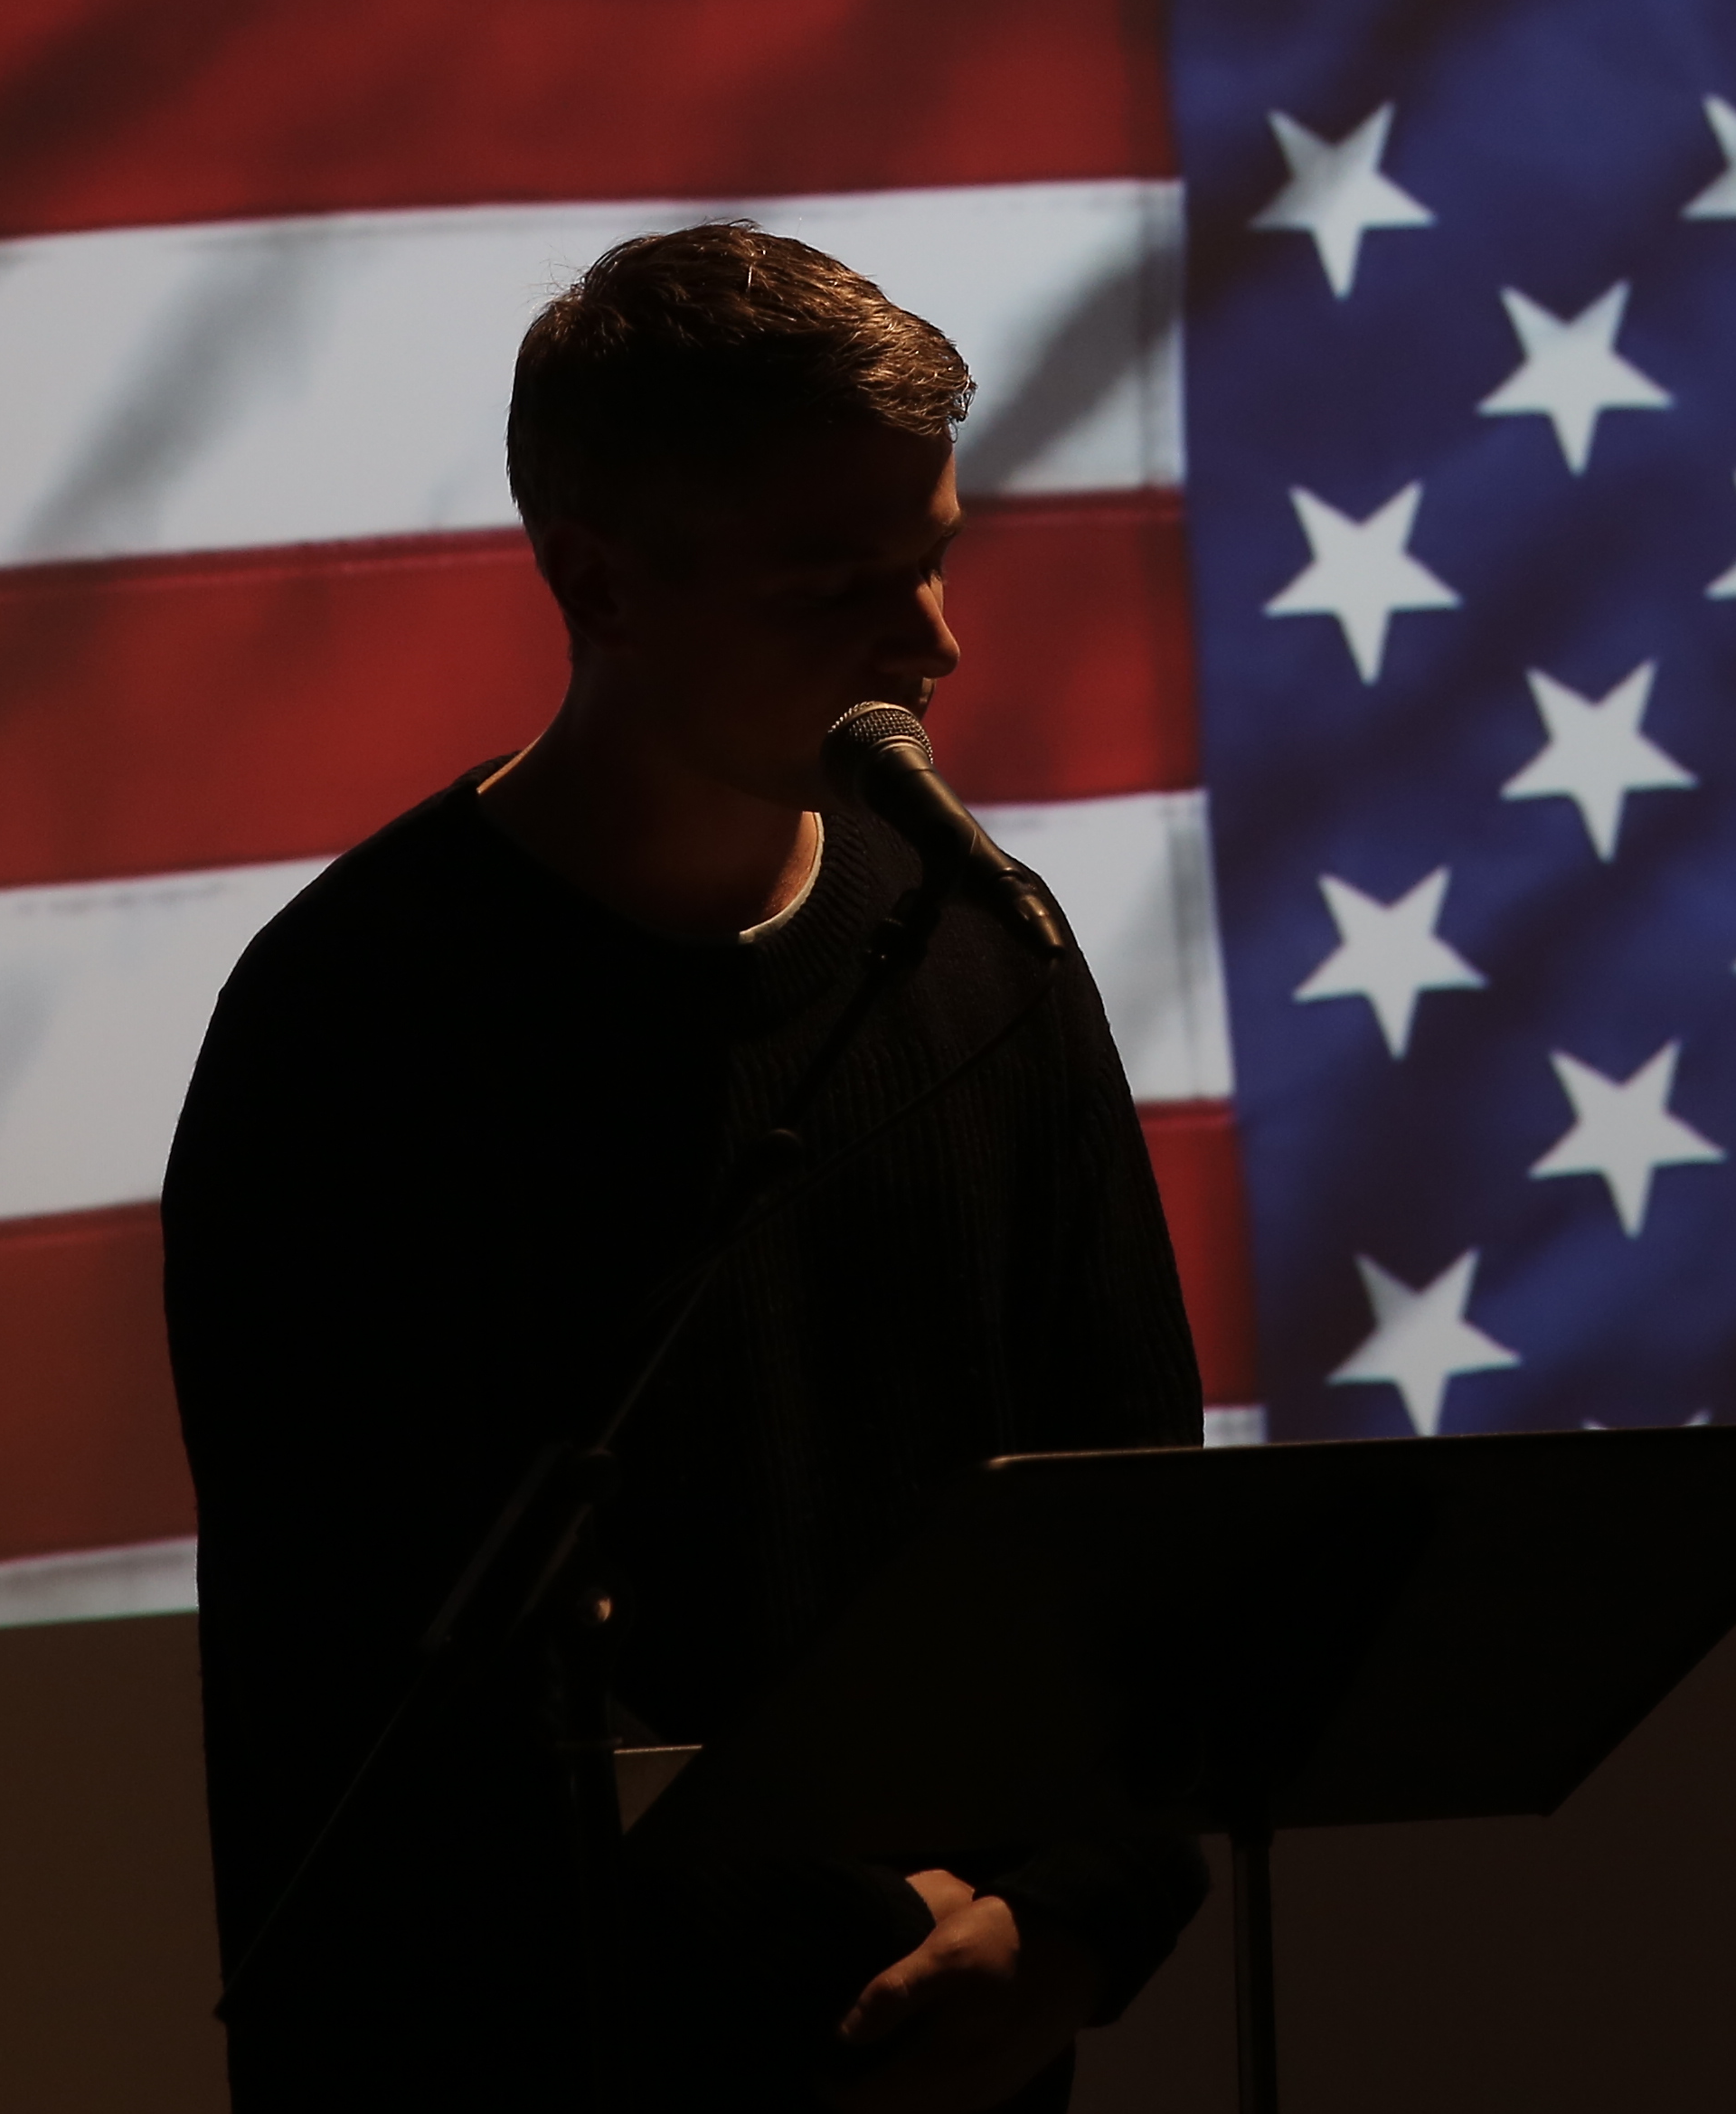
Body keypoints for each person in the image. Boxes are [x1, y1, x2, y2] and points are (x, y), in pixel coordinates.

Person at [167, 222, 1208, 2108]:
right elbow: (378, 1665)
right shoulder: (360, 1018)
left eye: (935, 565)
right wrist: (854, 1914)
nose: (933, 645)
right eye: (838, 590)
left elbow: (1124, 1499)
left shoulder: (980, 946)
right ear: (601, 586)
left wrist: (1079, 1911)